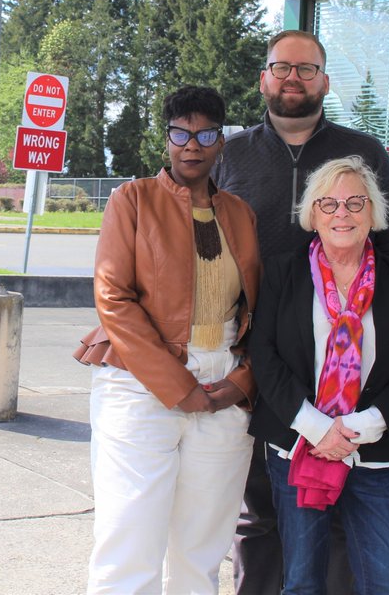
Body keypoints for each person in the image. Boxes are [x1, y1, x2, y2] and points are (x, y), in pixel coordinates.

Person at [214, 29, 389, 594]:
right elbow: (192, 242)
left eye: (307, 70)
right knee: (261, 510)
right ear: (264, 79)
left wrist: (368, 319)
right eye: (282, 68)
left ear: (324, 81)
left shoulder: (363, 153)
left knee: (339, 524)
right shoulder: (232, 154)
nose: (293, 79)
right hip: (257, 357)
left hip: (345, 358)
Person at [74, 85, 261, 594]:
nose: (192, 145)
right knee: (128, 546)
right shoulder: (131, 200)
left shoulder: (241, 215)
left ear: (222, 141)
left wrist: (242, 382)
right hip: (139, 384)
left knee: (200, 556)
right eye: (181, 133)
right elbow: (113, 298)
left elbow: (258, 313)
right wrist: (179, 387)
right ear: (167, 139)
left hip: (223, 390)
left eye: (205, 134)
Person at [249, 156, 389, 594]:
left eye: (354, 202)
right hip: (299, 445)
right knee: (301, 581)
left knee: (385, 582)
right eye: (328, 204)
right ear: (313, 215)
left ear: (374, 213)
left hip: (373, 450)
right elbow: (265, 355)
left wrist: (354, 428)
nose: (342, 214)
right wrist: (316, 429)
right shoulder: (282, 273)